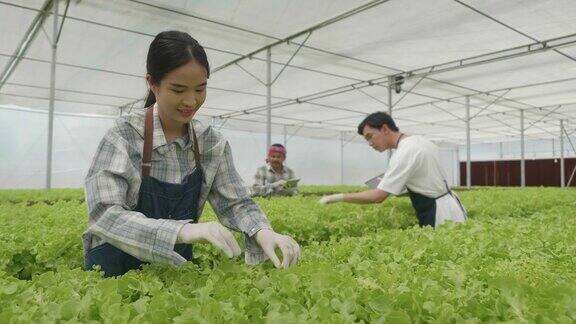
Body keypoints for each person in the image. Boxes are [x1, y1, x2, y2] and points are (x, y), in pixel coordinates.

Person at [83, 31, 300, 277]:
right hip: (114, 269)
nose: (191, 101)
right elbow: (105, 215)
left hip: (171, 269)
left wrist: (263, 231)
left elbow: (236, 202)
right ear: (152, 83)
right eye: (178, 89)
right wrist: (183, 232)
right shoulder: (124, 136)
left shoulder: (210, 143)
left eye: (200, 89)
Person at [319, 112, 466, 228]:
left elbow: (378, 196)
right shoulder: (421, 141)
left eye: (370, 137)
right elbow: (425, 179)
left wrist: (338, 197)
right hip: (452, 206)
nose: (370, 143)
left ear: (384, 129)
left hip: (438, 214)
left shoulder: (403, 153)